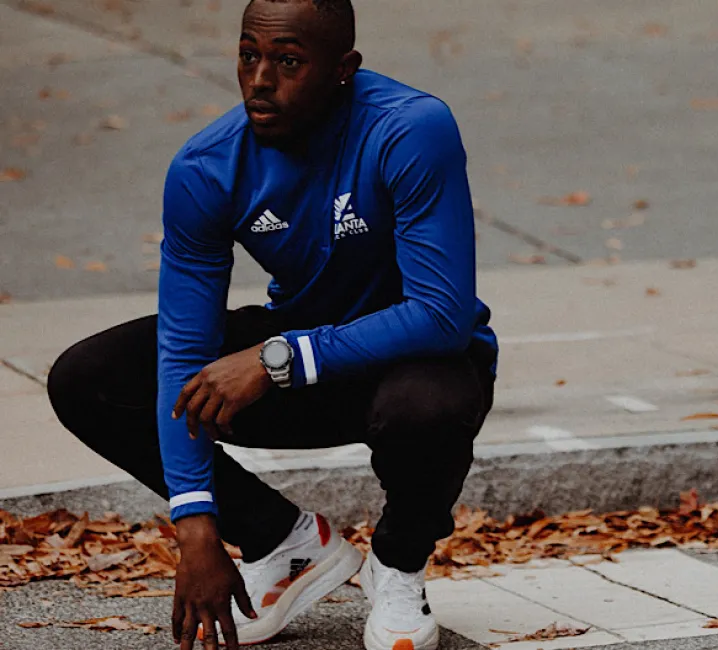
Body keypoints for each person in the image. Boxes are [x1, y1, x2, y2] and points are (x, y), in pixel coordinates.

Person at [44, 1, 496, 648]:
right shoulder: (206, 169)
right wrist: (195, 519)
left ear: (344, 70)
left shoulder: (409, 129)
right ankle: (281, 542)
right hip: (302, 366)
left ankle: (397, 566)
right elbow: (184, 348)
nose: (259, 79)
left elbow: (442, 315)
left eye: (287, 62)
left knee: (429, 404)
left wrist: (277, 357)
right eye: (248, 54)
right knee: (89, 378)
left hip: (410, 363)